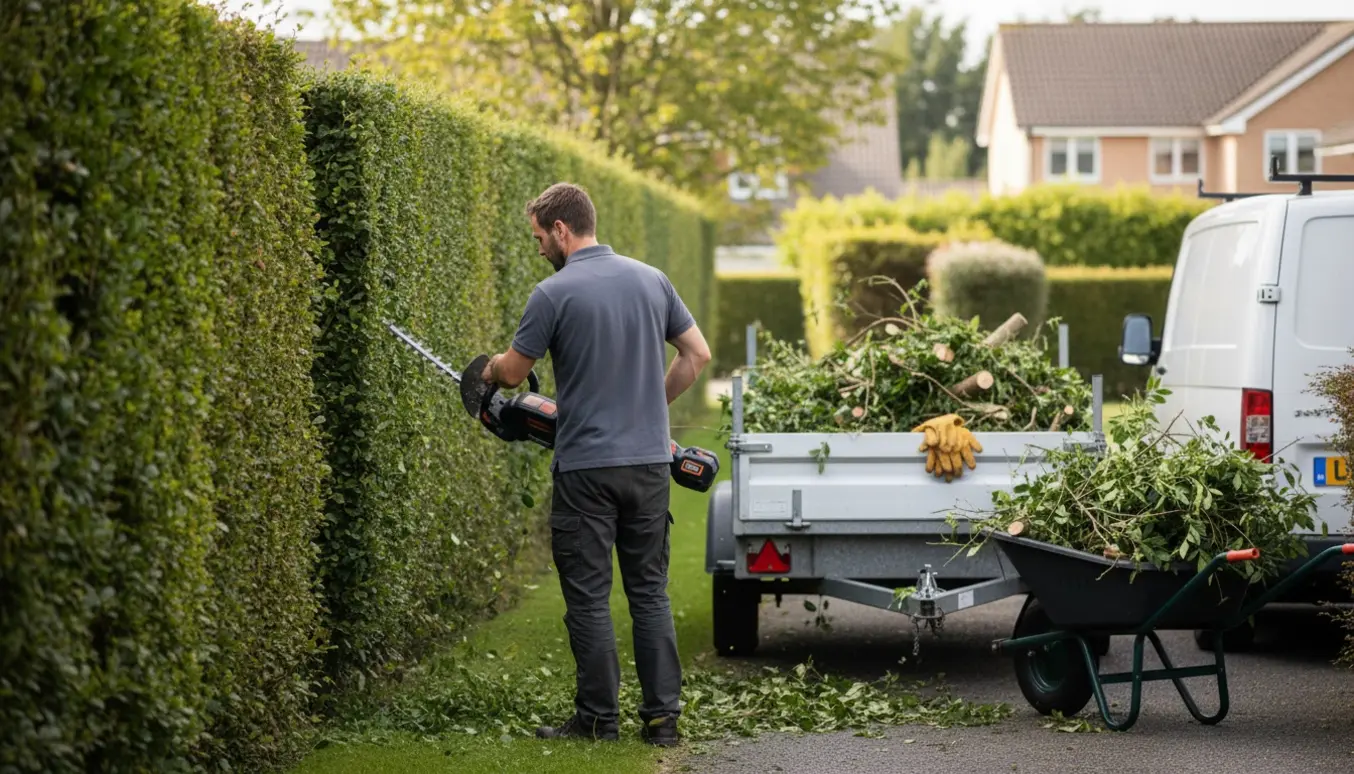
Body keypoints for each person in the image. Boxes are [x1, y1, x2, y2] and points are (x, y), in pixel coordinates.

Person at [479, 182, 712, 747]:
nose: (538, 248)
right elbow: (697, 355)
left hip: (586, 470)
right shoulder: (652, 279)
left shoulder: (553, 293)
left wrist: (485, 371)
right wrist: (649, 408)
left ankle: (598, 720)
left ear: (561, 230)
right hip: (651, 466)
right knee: (650, 592)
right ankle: (663, 721)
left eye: (539, 236)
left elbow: (512, 374)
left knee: (587, 595)